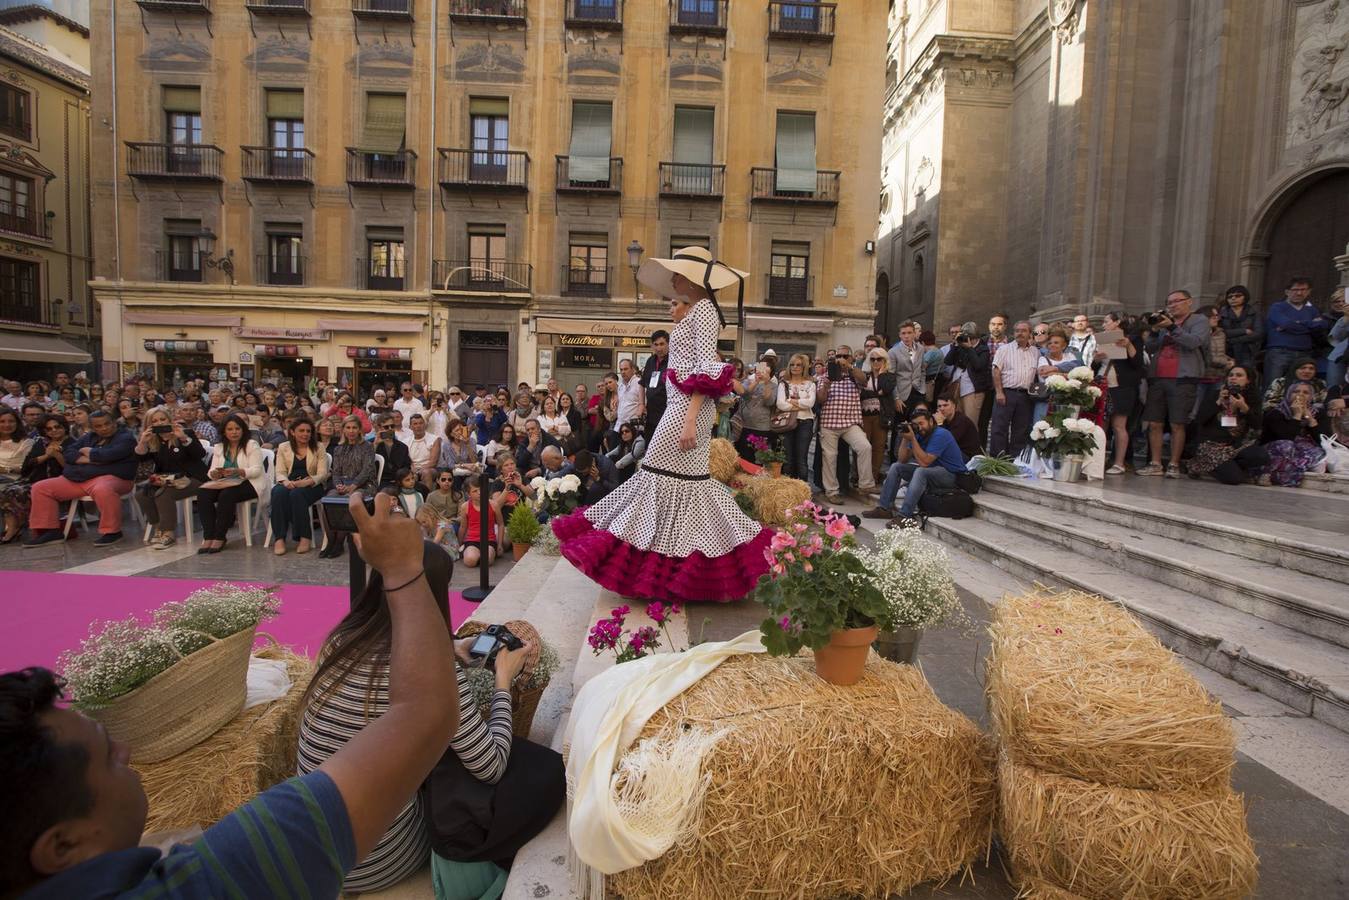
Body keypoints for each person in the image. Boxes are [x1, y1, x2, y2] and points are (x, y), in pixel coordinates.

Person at [0, 493, 459, 898]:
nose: (127, 751)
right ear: (63, 845)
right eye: (109, 757)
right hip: (381, 861)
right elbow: (427, 713)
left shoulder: (341, 641)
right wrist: (403, 569)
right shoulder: (214, 881)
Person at [553, 246, 771, 603]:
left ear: (693, 278)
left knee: (662, 478)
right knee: (675, 483)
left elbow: (705, 369)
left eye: (678, 273)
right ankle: (668, 569)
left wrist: (689, 420)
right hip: (681, 408)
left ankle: (662, 568)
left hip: (686, 410)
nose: (672, 279)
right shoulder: (699, 311)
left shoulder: (703, 310)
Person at [24, 409, 136, 547]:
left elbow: (110, 455)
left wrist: (90, 452)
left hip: (113, 478)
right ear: (93, 427)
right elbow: (69, 452)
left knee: (103, 489)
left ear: (114, 422)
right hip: (79, 479)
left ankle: (112, 531)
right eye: (98, 426)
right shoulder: (89, 437)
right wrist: (87, 459)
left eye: (107, 424)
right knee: (40, 488)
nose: (104, 428)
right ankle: (50, 531)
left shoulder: (126, 438)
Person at [1139, 289, 1211, 477]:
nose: (1172, 305)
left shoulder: (1199, 320)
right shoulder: (1164, 323)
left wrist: (1171, 327)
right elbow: (1151, 347)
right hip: (1158, 376)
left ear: (1189, 301)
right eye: (1169, 302)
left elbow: (1194, 342)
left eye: (1177, 301)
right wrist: (1154, 331)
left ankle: (1174, 464)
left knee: (1177, 422)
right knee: (1154, 422)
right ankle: (1155, 463)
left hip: (1183, 378)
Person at [863, 409, 968, 528]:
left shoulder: (941, 434)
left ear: (931, 421)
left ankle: (905, 516)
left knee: (921, 471)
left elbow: (925, 462)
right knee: (896, 467)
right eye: (916, 425)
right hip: (932, 472)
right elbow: (902, 459)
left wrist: (912, 439)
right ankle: (884, 508)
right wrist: (905, 437)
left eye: (921, 423)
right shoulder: (918, 434)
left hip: (952, 475)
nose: (919, 427)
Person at [134, 406, 207, 550]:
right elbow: (141, 459)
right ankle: (158, 528)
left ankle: (168, 533)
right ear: (149, 425)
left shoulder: (185, 433)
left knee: (164, 494)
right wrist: (142, 442)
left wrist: (183, 438)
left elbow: (200, 454)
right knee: (142, 494)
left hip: (193, 478)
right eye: (154, 421)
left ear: (169, 420)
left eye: (163, 419)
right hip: (167, 479)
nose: (160, 423)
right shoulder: (153, 439)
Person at [815, 345, 878, 505]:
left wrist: (849, 367)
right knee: (830, 458)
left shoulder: (854, 375)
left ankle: (866, 485)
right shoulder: (825, 375)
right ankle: (831, 492)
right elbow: (820, 400)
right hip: (829, 423)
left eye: (844, 356)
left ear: (850, 358)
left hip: (850, 423)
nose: (841, 359)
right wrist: (826, 387)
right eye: (838, 356)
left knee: (865, 447)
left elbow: (864, 380)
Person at [195, 413, 265, 554]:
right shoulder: (220, 447)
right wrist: (214, 474)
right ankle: (208, 536)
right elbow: (211, 470)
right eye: (230, 429)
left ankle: (220, 536)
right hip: (226, 481)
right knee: (203, 493)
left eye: (237, 429)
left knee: (227, 495)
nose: (234, 432)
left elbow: (256, 470)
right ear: (224, 431)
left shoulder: (251, 445)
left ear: (243, 430)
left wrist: (240, 471)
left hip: (250, 482)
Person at [1189, 365, 1265, 483]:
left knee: (1261, 456)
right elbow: (1200, 420)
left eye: (1239, 375)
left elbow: (1257, 425)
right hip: (1211, 445)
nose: (1233, 378)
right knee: (1234, 479)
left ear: (1248, 380)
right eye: (1231, 375)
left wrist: (1244, 408)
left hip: (1234, 445)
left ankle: (1224, 466)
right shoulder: (1216, 394)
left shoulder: (1252, 398)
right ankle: (1201, 465)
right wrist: (1218, 402)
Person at [320, 415, 379, 559]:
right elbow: (336, 472)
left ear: (359, 430)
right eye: (348, 427)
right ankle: (331, 541)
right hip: (344, 484)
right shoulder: (339, 449)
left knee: (346, 500)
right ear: (343, 430)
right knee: (327, 501)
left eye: (354, 428)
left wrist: (353, 486)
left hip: (365, 485)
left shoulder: (367, 447)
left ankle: (339, 542)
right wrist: (338, 485)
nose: (351, 431)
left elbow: (367, 470)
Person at [271, 417, 329, 556]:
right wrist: (285, 482)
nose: (305, 434)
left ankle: (304, 536)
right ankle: (279, 538)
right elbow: (280, 471)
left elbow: (322, 473)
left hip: (312, 484)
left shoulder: (318, 447)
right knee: (278, 493)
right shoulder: (284, 447)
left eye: (308, 431)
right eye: (301, 431)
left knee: (297, 494)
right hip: (289, 482)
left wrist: (307, 482)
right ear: (292, 432)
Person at [1264, 276, 1332, 385]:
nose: (1299, 293)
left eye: (1303, 290)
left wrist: (1298, 323)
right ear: (1287, 292)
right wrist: (1310, 326)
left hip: (1305, 353)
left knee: (1301, 386)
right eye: (1295, 289)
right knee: (1273, 385)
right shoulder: (1277, 307)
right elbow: (1286, 324)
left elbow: (1323, 325)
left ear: (1309, 292)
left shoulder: (1312, 310)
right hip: (1280, 352)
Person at [1256, 382, 1327, 487]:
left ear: (1311, 397)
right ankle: (1265, 473)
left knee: (1320, 452)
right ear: (1289, 394)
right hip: (1275, 450)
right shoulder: (1276, 412)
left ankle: (1289, 471)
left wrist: (1310, 419)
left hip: (1297, 450)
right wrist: (1297, 415)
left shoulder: (1315, 412)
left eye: (1306, 392)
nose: (1300, 395)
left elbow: (1323, 440)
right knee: (1287, 445)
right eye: (1296, 391)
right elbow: (1287, 436)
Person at [988, 321, 1041, 459]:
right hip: (1006, 393)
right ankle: (998, 460)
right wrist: (999, 392)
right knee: (999, 427)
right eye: (1017, 331)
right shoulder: (1004, 349)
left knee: (1021, 429)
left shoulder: (1035, 352)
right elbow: (996, 371)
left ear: (1030, 333)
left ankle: (1016, 460)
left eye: (1023, 331)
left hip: (1025, 395)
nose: (1020, 333)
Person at [1102, 322, 1146, 474]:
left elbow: (1138, 363)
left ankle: (1120, 463)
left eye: (1110, 324)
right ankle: (1098, 461)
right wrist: (1096, 358)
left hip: (1122, 388)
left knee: (1119, 425)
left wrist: (1128, 345)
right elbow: (1095, 366)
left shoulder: (1133, 340)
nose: (1107, 326)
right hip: (1104, 387)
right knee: (1101, 426)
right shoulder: (1103, 342)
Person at [859, 349, 898, 484]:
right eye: (872, 359)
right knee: (863, 447)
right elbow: (861, 394)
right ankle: (860, 477)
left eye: (879, 359)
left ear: (885, 360)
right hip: (864, 416)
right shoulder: (864, 376)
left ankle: (873, 478)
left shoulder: (890, 376)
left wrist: (881, 375)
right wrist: (877, 393)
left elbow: (886, 389)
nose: (875, 362)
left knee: (878, 447)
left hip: (881, 416)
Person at [776, 352, 817, 482]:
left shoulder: (810, 384)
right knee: (787, 459)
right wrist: (800, 404)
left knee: (801, 459)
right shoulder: (783, 384)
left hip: (805, 423)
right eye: (792, 364)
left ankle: (803, 489)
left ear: (804, 367)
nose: (795, 367)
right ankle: (789, 489)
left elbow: (810, 403)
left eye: (798, 365)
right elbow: (780, 404)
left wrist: (791, 401)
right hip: (787, 423)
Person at [0, 408, 38, 543]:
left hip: (16, 478)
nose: (7, 425)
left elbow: (25, 467)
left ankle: (12, 528)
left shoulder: (26, 442)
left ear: (17, 423)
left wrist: (5, 469)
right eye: (2, 421)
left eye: (11, 421)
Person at [732, 361, 779, 463]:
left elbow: (769, 401)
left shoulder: (774, 386)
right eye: (760, 369)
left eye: (765, 371)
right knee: (745, 459)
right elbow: (744, 394)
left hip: (762, 428)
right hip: (745, 426)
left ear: (770, 373)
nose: (762, 372)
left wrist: (766, 383)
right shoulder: (748, 381)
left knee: (759, 460)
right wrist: (756, 381)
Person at [887, 321, 928, 420]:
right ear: (899, 335)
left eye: (909, 333)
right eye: (903, 333)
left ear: (914, 333)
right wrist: (896, 398)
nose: (906, 336)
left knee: (919, 421)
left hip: (918, 391)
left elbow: (922, 369)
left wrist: (922, 387)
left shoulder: (921, 349)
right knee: (901, 423)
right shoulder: (893, 352)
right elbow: (891, 376)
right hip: (902, 393)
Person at [457, 479, 501, 568]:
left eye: (481, 489)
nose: (479, 493)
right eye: (475, 491)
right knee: (470, 561)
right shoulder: (465, 506)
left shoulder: (493, 505)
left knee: (486, 560)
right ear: (468, 494)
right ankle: (470, 552)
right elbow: (463, 527)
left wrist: (500, 545)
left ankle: (486, 554)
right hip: (472, 540)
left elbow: (501, 524)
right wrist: (459, 543)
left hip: (489, 540)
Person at [1220, 285, 1263, 373]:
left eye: (1238, 295)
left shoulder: (1254, 313)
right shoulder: (1221, 313)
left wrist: (1234, 340)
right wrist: (1244, 331)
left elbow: (1258, 333)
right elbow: (1221, 332)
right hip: (1227, 350)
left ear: (1245, 297)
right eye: (1230, 297)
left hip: (1247, 350)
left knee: (1246, 374)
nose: (1233, 298)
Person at [640, 329, 670, 444]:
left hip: (666, 413)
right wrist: (641, 404)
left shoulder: (673, 361)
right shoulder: (650, 361)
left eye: (662, 344)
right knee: (649, 445)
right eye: (656, 344)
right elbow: (642, 384)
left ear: (668, 344)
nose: (659, 348)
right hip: (651, 413)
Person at [1261, 357, 1325, 411]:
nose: (1307, 371)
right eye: (1303, 368)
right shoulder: (1280, 382)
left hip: (1311, 415)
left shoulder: (1319, 383)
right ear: (1295, 370)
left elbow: (1324, 404)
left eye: (1311, 369)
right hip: (1282, 415)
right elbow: (1267, 404)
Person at [419, 469, 461, 548]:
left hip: (453, 523)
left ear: (453, 481)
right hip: (435, 523)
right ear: (438, 481)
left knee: (449, 528)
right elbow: (426, 513)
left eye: (449, 479)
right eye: (443, 479)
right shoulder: (431, 496)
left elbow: (461, 516)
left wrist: (450, 521)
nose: (447, 482)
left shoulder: (458, 495)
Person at [934, 391, 981, 461]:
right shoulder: (944, 420)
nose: (942, 409)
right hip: (955, 453)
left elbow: (945, 442)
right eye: (939, 406)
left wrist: (940, 423)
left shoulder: (961, 421)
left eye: (945, 405)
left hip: (969, 458)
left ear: (954, 406)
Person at [403, 413, 441, 492]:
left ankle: (427, 497)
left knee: (426, 472)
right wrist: (413, 470)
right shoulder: (405, 441)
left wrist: (418, 471)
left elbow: (433, 462)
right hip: (412, 469)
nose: (418, 426)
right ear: (410, 427)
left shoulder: (435, 439)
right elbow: (408, 461)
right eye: (415, 424)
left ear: (424, 425)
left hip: (430, 469)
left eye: (421, 423)